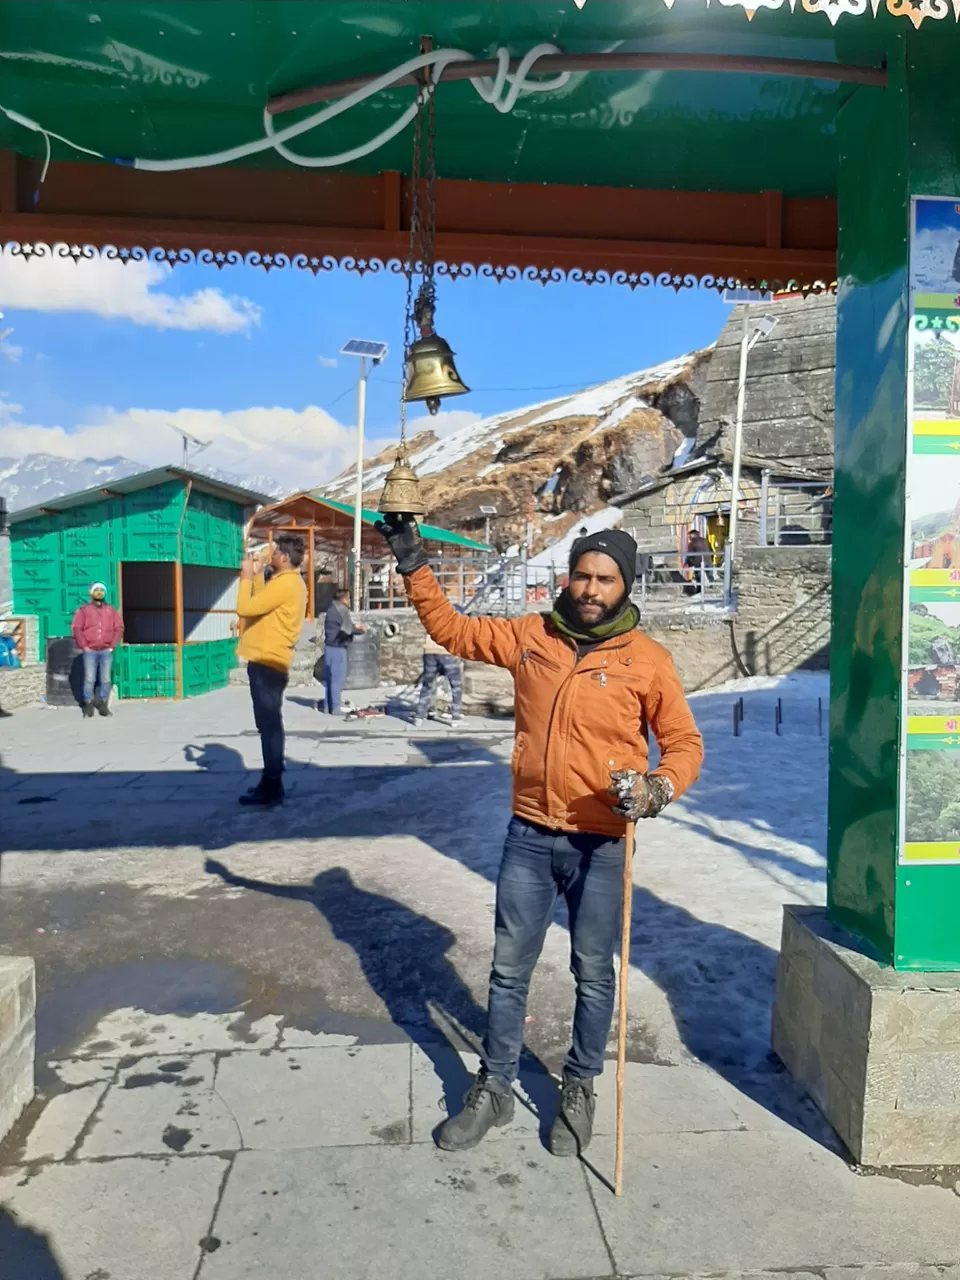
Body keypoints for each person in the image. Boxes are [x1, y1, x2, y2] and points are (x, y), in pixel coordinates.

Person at [378, 516, 703, 1157]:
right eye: (582, 574)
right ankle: (495, 1088)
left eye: (605, 578)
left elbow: (685, 744)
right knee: (508, 970)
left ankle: (578, 1086)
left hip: (603, 842)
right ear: (569, 577)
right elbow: (452, 629)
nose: (590, 587)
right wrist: (413, 561)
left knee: (593, 974)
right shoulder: (532, 637)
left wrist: (657, 790)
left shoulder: (648, 662)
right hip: (529, 833)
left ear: (624, 586)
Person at [235, 534, 307, 807]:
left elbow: (244, 608)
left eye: (276, 552)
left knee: (269, 726)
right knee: (268, 725)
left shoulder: (287, 583)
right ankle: (270, 779)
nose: (271, 555)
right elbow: (259, 606)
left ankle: (273, 784)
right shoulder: (285, 583)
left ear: (286, 558)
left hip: (267, 663)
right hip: (268, 661)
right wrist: (255, 577)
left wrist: (244, 577)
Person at [71, 581, 123, 718]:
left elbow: (119, 628)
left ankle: (103, 704)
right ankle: (88, 705)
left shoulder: (111, 610)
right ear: (91, 593)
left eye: (101, 590)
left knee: (106, 679)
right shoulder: (83, 611)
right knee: (90, 678)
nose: (99, 592)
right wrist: (84, 646)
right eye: (96, 590)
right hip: (90, 650)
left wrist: (112, 645)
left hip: (106, 650)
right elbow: (76, 628)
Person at [321, 587, 365, 715]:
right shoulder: (342, 610)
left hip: (329, 647)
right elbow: (347, 629)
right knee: (337, 679)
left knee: (329, 680)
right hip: (338, 648)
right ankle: (335, 708)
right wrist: (360, 629)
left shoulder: (331, 609)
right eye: (349, 598)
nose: (349, 601)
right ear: (344, 598)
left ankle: (326, 706)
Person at [414, 630, 463, 728]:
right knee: (456, 686)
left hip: (429, 651)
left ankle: (419, 717)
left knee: (427, 686)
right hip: (447, 651)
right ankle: (455, 718)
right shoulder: (452, 615)